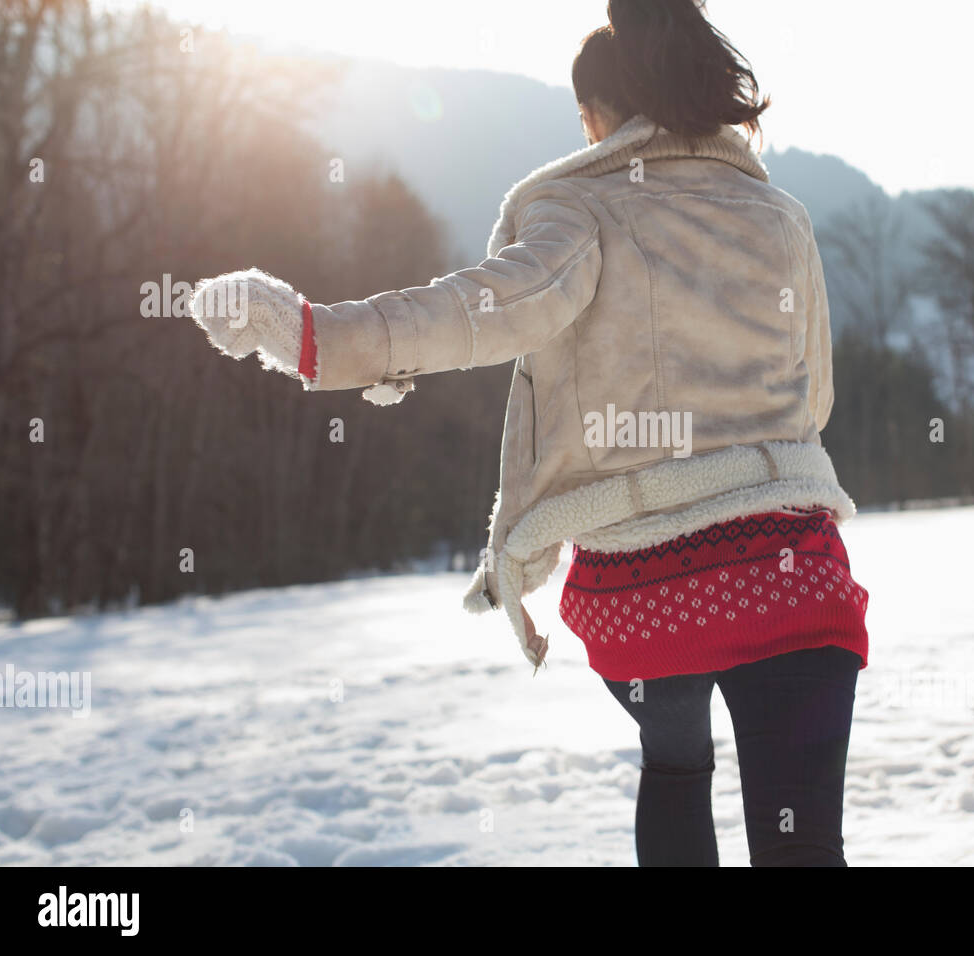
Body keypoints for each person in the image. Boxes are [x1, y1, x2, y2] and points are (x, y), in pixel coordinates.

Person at [190, 0, 870, 867]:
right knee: (804, 845)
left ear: (598, 118)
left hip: (654, 588)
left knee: (674, 766)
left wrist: (316, 337)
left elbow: (484, 308)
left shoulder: (584, 208)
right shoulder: (782, 218)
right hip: (793, 576)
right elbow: (815, 400)